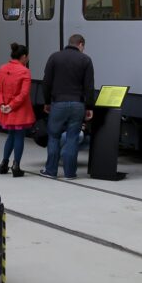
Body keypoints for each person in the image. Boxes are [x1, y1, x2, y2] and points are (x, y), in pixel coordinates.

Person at [41, 34, 94, 179]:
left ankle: (51, 171)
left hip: (58, 103)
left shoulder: (54, 57)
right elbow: (89, 86)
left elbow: (46, 82)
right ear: (81, 44)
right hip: (77, 104)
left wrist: (46, 102)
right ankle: (70, 173)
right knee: (73, 138)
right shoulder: (85, 60)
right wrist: (89, 107)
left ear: (69, 43)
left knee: (54, 137)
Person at [0, 42, 35, 178]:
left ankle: (4, 164)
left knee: (11, 135)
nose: (28, 58)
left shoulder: (2, 68)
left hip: (5, 109)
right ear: (23, 57)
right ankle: (16, 166)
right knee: (19, 136)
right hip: (18, 110)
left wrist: (2, 105)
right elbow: (24, 94)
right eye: (27, 56)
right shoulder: (25, 71)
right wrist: (11, 106)